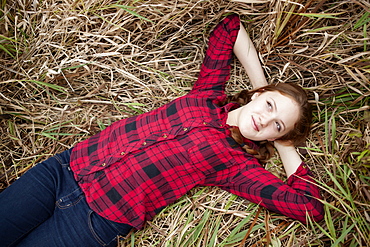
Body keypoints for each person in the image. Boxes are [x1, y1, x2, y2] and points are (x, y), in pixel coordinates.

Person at [0, 14, 324, 247]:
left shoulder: (238, 166)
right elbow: (230, 28)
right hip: (64, 170)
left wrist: (285, 142)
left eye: (277, 125)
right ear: (258, 95)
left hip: (94, 220)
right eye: (269, 106)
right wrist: (263, 85)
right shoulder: (207, 94)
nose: (265, 120)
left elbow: (310, 208)